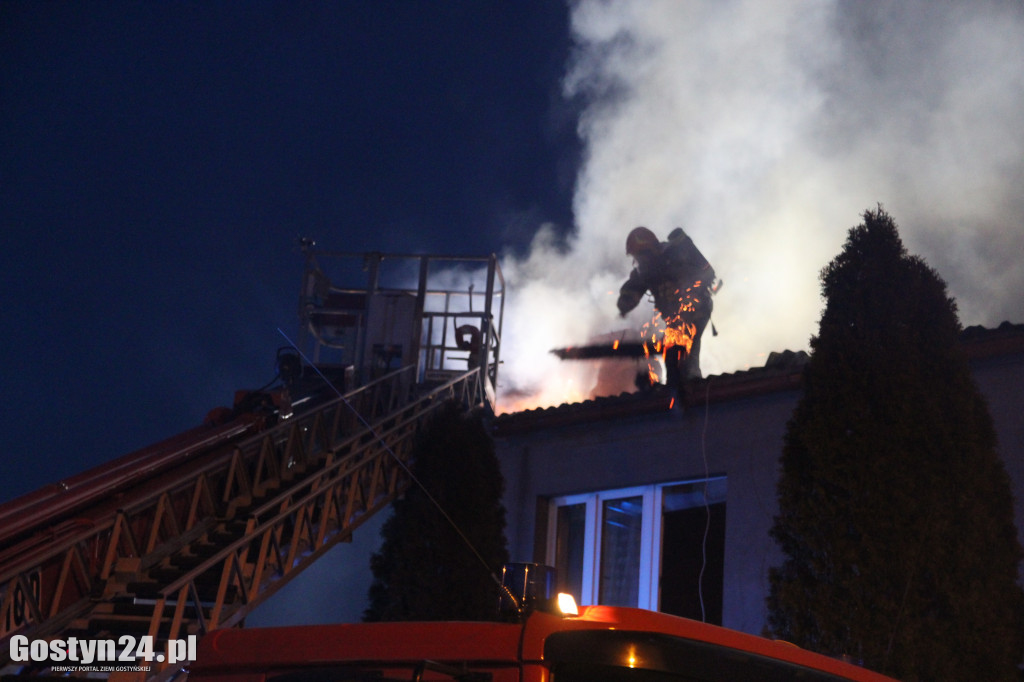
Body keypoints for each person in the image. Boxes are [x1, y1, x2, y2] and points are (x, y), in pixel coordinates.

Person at [617, 226, 717, 385]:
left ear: (648, 250)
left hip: (696, 310)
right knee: (671, 352)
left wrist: (686, 291)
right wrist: (624, 304)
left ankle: (693, 387)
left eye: (640, 255)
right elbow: (633, 287)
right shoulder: (645, 270)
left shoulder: (674, 253)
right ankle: (676, 387)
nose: (639, 260)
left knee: (686, 353)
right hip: (676, 320)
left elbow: (701, 276)